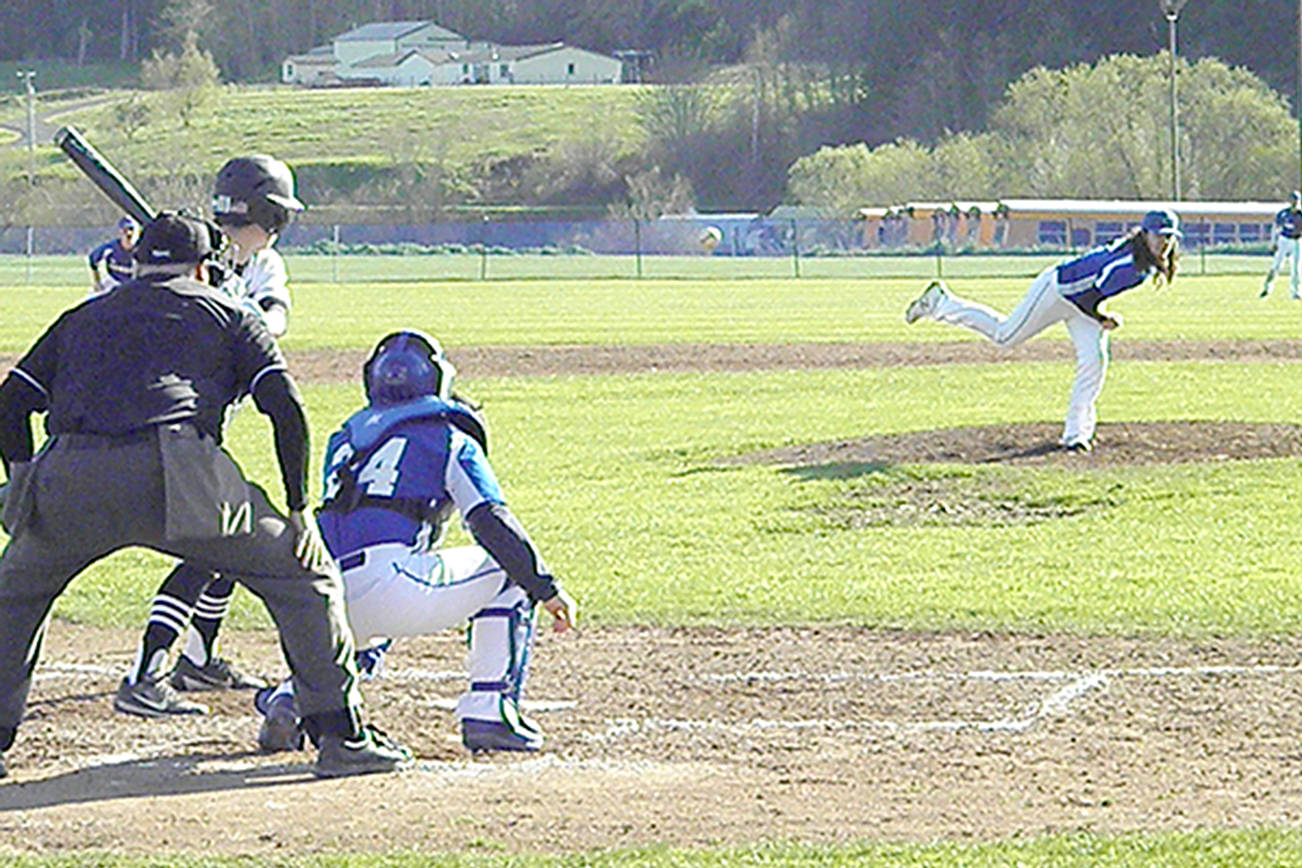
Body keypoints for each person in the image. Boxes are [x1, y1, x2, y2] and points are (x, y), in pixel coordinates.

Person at [0, 212, 410, 779]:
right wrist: (296, 510)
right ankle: (340, 735)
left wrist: (23, 485)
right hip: (183, 474)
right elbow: (285, 407)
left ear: (138, 262)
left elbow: (11, 404)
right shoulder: (230, 311)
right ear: (203, 266)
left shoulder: (82, 315)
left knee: (14, 596)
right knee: (302, 577)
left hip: (71, 473)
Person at [253, 329, 578, 756]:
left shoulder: (346, 441)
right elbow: (489, 520)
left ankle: (291, 699)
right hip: (389, 584)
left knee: (361, 629)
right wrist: (547, 588)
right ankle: (490, 711)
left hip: (318, 593)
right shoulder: (448, 436)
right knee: (507, 570)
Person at [116, 155, 301, 715]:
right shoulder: (188, 252)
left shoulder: (261, 265)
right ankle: (148, 672)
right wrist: (208, 292)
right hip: (163, 424)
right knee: (215, 542)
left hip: (202, 428)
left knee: (227, 539)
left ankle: (197, 658)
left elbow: (272, 323)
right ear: (268, 212)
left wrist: (228, 296)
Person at [903, 209, 1182, 453]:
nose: (1165, 242)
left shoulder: (1140, 260)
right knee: (1005, 336)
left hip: (1081, 300)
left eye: (1169, 236)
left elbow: (1091, 293)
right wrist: (1101, 318)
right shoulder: (1131, 266)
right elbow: (1088, 297)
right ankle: (941, 303)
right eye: (1159, 235)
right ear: (1145, 235)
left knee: (1094, 361)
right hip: (1055, 292)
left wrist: (1098, 316)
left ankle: (1077, 435)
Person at [1260, 191, 1302, 300]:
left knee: (1296, 268)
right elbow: (1276, 228)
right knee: (1276, 265)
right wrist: (1274, 242)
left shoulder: (1300, 214)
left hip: (1296, 240)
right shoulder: (1283, 213)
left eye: (1296, 201)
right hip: (1284, 240)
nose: (1294, 203)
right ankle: (1267, 288)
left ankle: (1295, 292)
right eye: (1293, 200)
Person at [86, 216, 139, 296]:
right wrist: (97, 282)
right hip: (113, 281)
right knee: (91, 299)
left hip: (134, 284)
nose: (128, 234)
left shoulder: (141, 249)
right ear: (120, 232)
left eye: (131, 230)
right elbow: (93, 260)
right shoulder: (111, 248)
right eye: (125, 231)